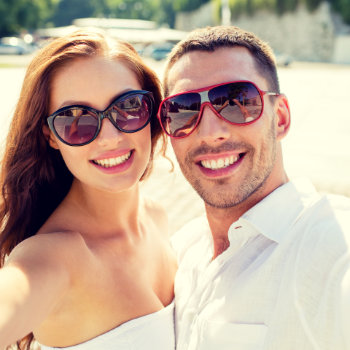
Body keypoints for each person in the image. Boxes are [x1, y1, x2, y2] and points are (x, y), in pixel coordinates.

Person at [157, 26, 350, 349]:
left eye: (237, 102)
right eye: (183, 111)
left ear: (282, 118)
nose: (210, 132)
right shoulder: (180, 252)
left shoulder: (330, 243)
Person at [0, 30, 177, 350]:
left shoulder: (157, 217)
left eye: (129, 106)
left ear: (151, 111)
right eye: (75, 119)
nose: (109, 137)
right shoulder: (51, 258)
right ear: (50, 136)